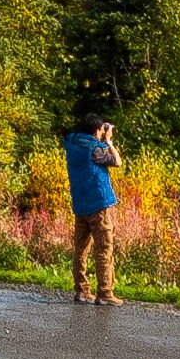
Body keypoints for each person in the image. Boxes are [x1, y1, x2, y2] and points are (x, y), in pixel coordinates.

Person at [62, 114, 121, 307]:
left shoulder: (71, 146)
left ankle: (81, 290)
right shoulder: (95, 149)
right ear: (97, 129)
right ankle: (105, 292)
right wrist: (109, 141)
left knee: (80, 249)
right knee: (104, 248)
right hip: (98, 205)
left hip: (80, 205)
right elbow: (117, 161)